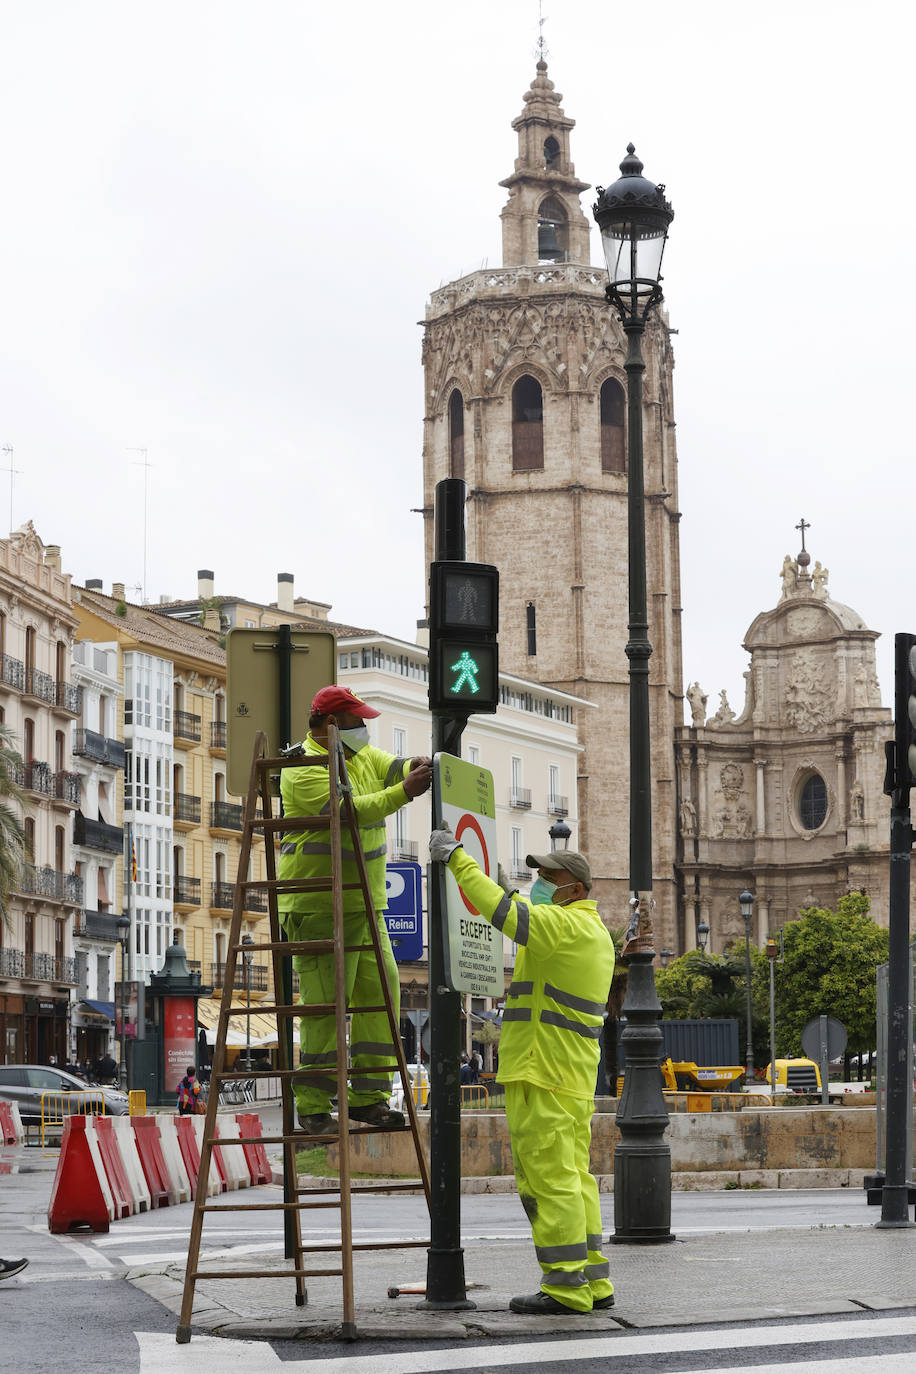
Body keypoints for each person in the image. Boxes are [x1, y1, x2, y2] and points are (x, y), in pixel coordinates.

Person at [429, 824, 615, 1316]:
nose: (541, 882)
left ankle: (564, 1287)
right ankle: (593, 1280)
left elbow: (505, 913)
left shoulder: (565, 926)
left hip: (543, 1072)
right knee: (576, 1178)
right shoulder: (588, 931)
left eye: (549, 877)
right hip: (567, 1076)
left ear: (573, 889)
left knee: (548, 1181)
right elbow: (520, 908)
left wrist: (457, 860)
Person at [279, 685, 432, 1135]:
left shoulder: (359, 756)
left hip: (365, 903)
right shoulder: (301, 769)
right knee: (327, 1007)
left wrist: (415, 765)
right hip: (317, 903)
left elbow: (390, 764)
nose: (363, 731)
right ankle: (311, 1107)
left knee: (381, 996)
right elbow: (349, 812)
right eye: (354, 723)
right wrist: (405, 791)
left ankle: (368, 1098)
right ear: (330, 726)